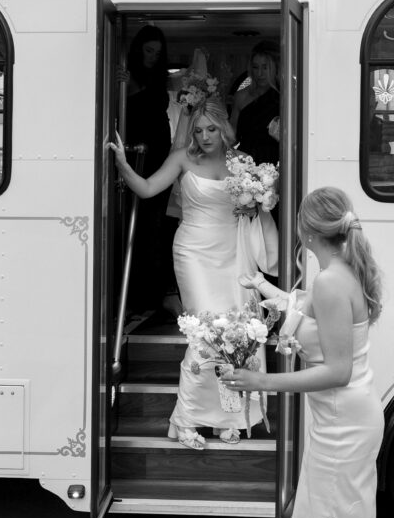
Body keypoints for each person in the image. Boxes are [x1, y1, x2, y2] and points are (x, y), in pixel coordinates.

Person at [223, 187, 383, 518]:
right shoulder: (340, 271)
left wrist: (259, 380)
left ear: (305, 230)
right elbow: (301, 308)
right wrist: (259, 283)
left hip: (344, 423)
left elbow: (337, 371)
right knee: (333, 514)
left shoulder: (329, 282)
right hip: (343, 417)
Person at [106, 99, 271, 449]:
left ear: (224, 129)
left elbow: (259, 206)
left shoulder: (241, 162)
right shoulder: (182, 156)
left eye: (211, 129)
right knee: (204, 333)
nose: (205, 136)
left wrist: (256, 201)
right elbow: (148, 189)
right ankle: (187, 418)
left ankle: (231, 417)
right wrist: (122, 163)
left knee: (238, 332)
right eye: (198, 130)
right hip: (193, 251)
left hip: (233, 252)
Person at [119, 25, 175, 313]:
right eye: (149, 50)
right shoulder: (126, 77)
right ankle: (134, 295)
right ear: (139, 49)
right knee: (135, 222)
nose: (153, 56)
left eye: (158, 51)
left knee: (155, 223)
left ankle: (153, 295)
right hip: (136, 147)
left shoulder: (158, 77)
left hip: (159, 149)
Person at [231, 40, 281, 166]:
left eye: (265, 67)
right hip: (245, 159)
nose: (260, 74)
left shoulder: (285, 97)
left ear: (275, 67)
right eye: (255, 67)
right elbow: (232, 135)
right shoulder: (241, 96)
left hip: (276, 159)